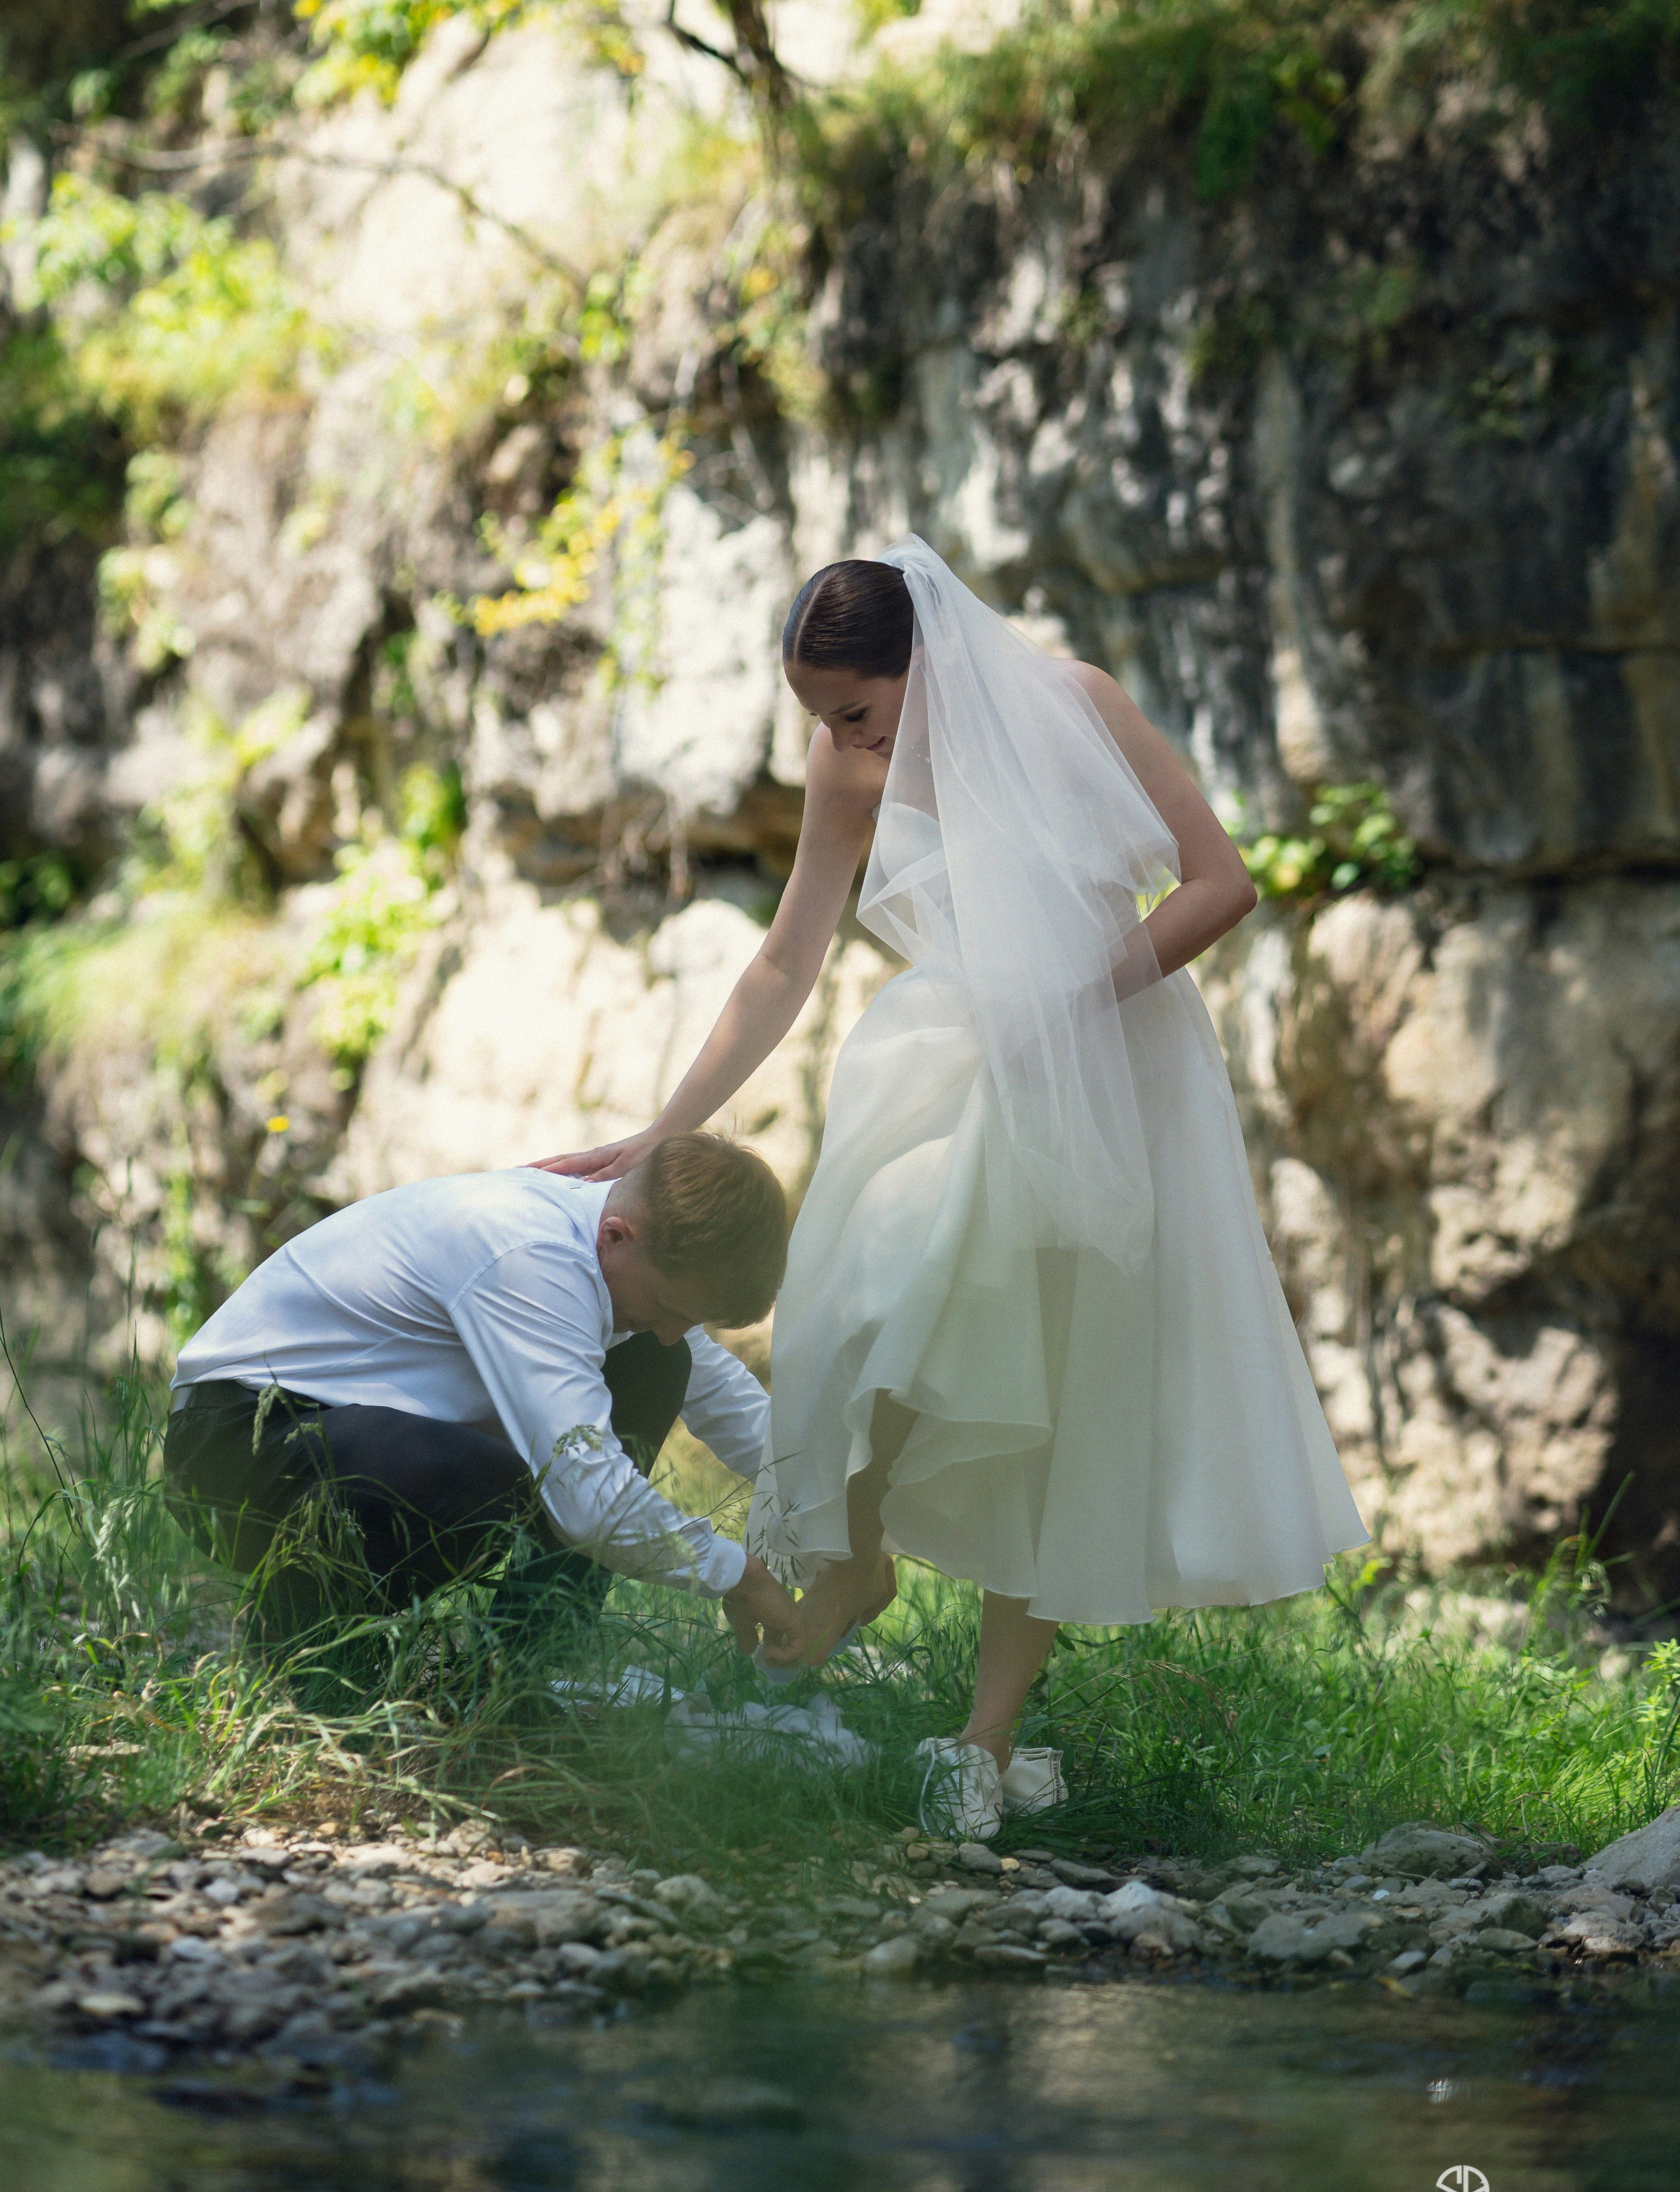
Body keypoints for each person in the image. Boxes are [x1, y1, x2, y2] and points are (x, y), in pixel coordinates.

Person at [537, 538, 1371, 1838]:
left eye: (857, 712)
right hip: (950, 1063)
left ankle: (982, 1744)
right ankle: (856, 1562)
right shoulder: (843, 762)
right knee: (864, 1300)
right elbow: (786, 957)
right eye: (820, 720)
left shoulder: (1074, 705)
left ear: (924, 661)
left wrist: (1066, 1007)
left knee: (1060, 1389)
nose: (843, 744)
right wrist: (663, 1128)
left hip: (1109, 1062)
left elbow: (1222, 884)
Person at [164, 1131, 805, 1658]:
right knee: (482, 1480)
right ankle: (304, 1652)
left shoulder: (610, 1252)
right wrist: (735, 1573)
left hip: (351, 1435)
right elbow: (588, 1498)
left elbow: (740, 1416)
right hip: (233, 1446)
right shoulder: (533, 1255)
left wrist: (848, 1529)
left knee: (659, 1366)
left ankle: (523, 1676)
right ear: (619, 1235)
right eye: (668, 1308)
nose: (673, 1331)